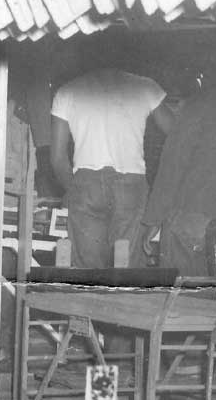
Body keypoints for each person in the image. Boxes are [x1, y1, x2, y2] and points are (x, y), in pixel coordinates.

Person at [141, 69, 216, 276]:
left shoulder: (192, 112)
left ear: (203, 83)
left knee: (180, 296)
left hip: (187, 219)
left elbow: (170, 170)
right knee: (211, 298)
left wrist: (153, 220)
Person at [50, 67, 173, 268]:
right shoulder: (143, 86)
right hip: (131, 185)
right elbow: (177, 135)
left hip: (86, 183)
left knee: (88, 272)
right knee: (128, 269)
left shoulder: (68, 91)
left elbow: (57, 158)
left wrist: (73, 191)